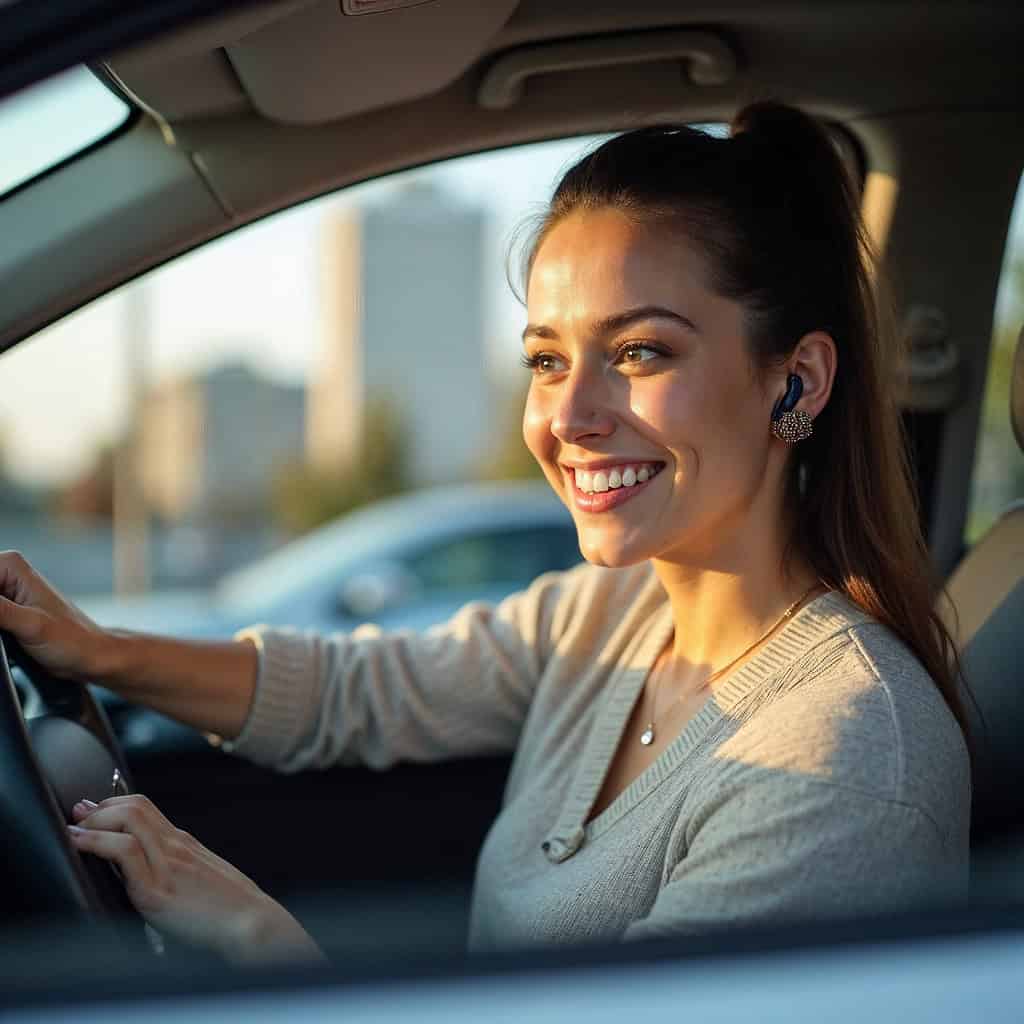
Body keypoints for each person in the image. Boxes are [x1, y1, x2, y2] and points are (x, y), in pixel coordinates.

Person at [0, 100, 972, 962]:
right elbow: (356, 690)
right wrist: (94, 649)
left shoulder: (844, 760)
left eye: (638, 350)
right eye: (547, 360)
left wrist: (265, 941)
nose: (570, 415)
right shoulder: (611, 617)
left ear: (794, 379)